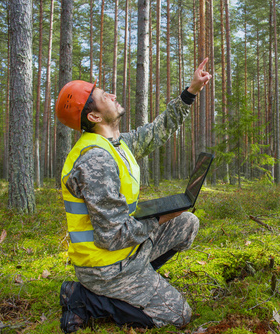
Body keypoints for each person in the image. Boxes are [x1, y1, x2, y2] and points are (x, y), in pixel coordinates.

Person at [56, 59, 211, 333]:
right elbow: (113, 235)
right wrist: (160, 217)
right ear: (93, 117)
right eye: (104, 96)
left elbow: (157, 131)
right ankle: (86, 299)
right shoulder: (95, 161)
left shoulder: (117, 144)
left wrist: (191, 91)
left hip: (127, 251)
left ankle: (140, 281)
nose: (113, 95)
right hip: (106, 267)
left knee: (186, 223)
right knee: (178, 315)